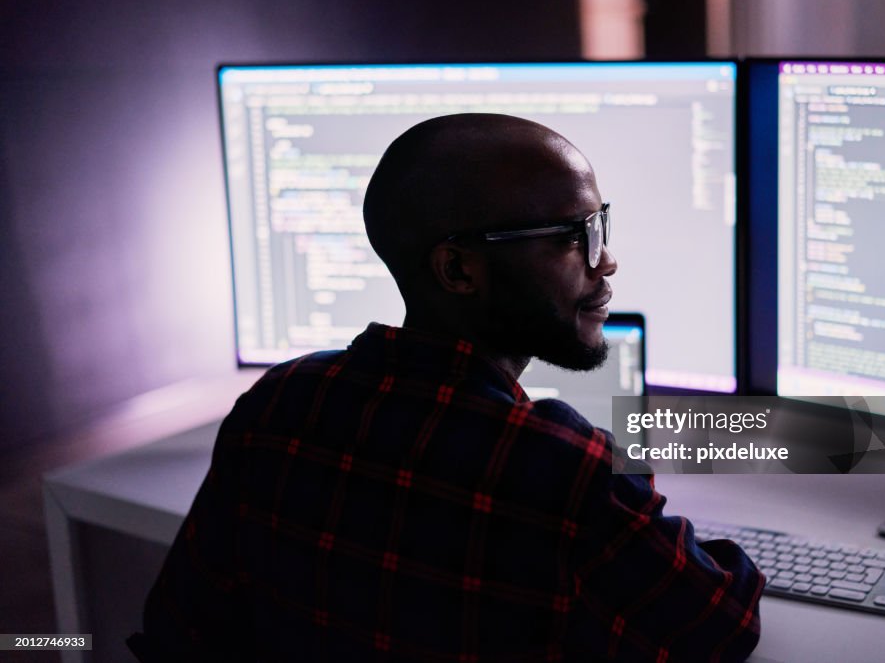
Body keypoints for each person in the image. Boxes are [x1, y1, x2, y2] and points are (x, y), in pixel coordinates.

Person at [130, 114, 763, 661]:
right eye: (574, 236)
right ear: (458, 269)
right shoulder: (562, 470)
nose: (605, 260)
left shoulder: (278, 403)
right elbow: (719, 625)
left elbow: (180, 633)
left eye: (600, 224)